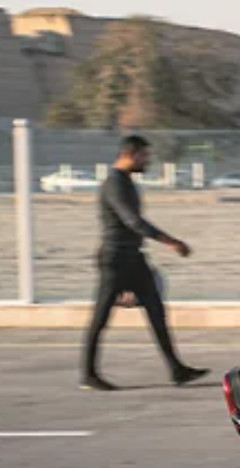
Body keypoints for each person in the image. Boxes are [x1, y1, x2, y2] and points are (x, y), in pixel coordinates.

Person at [80, 134, 207, 391]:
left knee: (157, 312)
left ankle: (177, 370)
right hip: (115, 259)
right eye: (144, 156)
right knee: (100, 318)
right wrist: (171, 242)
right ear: (130, 154)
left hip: (134, 258)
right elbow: (133, 221)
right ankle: (89, 375)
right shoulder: (115, 183)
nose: (148, 161)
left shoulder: (127, 182)